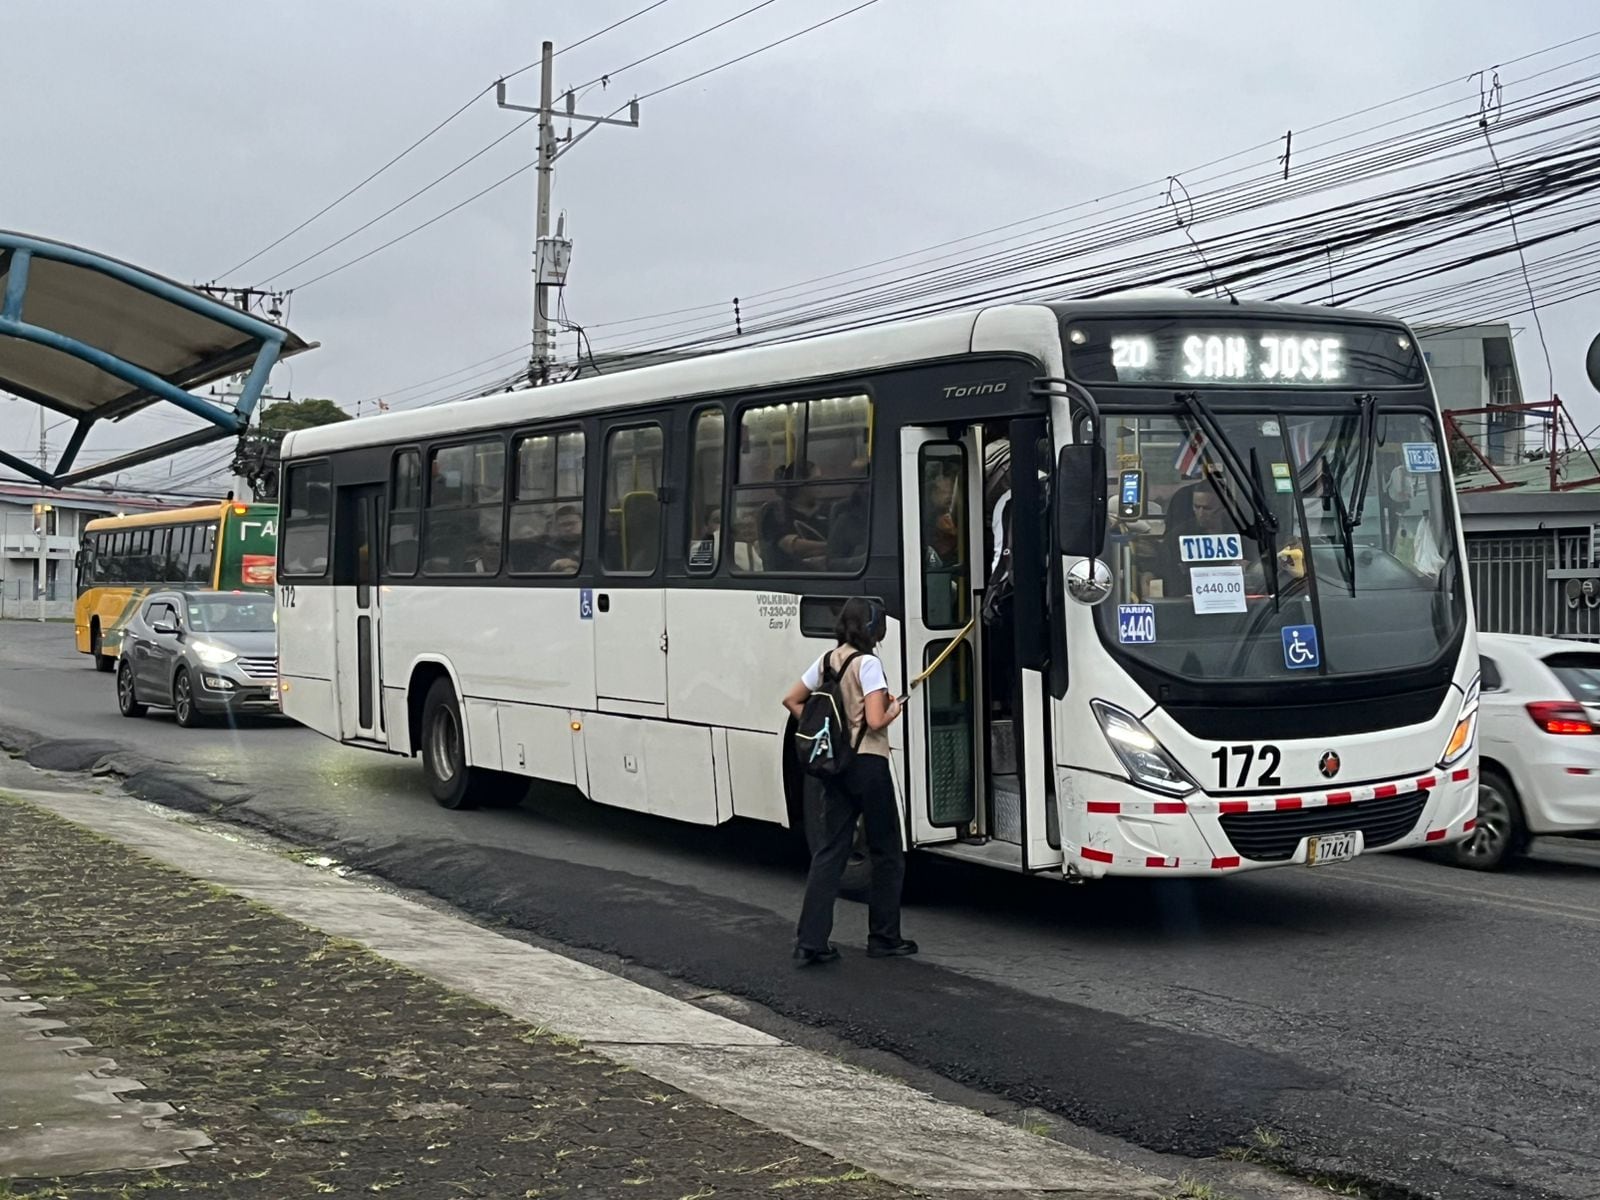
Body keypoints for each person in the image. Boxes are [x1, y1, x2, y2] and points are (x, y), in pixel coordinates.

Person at [781, 598, 917, 965]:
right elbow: (874, 720)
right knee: (887, 850)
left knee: (830, 851)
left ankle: (810, 941)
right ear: (873, 628)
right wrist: (894, 708)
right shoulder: (869, 664)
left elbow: (792, 700)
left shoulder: (827, 660)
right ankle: (884, 937)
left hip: (835, 766)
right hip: (868, 766)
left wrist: (830, 733)